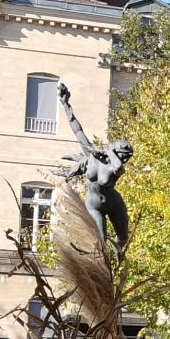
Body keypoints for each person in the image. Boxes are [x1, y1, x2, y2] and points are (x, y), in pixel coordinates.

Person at [58, 81, 133, 252]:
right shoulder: (92, 157)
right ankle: (103, 269)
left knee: (123, 237)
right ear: (116, 150)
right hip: (94, 205)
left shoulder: (116, 167)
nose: (125, 159)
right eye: (124, 154)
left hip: (114, 202)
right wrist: (65, 104)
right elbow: (77, 130)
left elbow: (118, 167)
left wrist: (110, 152)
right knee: (100, 242)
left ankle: (119, 256)